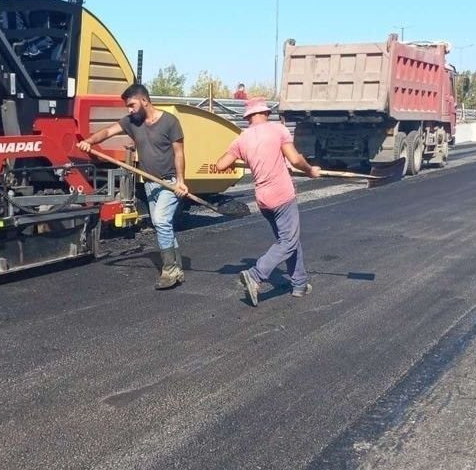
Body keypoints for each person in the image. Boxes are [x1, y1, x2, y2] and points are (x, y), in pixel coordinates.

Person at [79, 83, 189, 290]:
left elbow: (179, 153)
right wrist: (89, 141)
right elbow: (108, 131)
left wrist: (181, 181)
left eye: (131, 105)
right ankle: (177, 269)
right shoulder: (132, 122)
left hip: (169, 181)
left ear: (144, 100)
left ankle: (169, 270)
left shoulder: (170, 122)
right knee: (162, 226)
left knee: (161, 220)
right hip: (149, 183)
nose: (129, 110)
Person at [213, 98, 320, 306]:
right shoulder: (278, 130)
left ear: (248, 117)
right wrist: (310, 170)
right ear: (265, 113)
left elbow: (221, 164)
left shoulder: (241, 140)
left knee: (288, 239)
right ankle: (256, 274)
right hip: (282, 195)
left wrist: (247, 156)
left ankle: (299, 283)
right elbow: (296, 160)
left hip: (263, 200)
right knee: (287, 241)